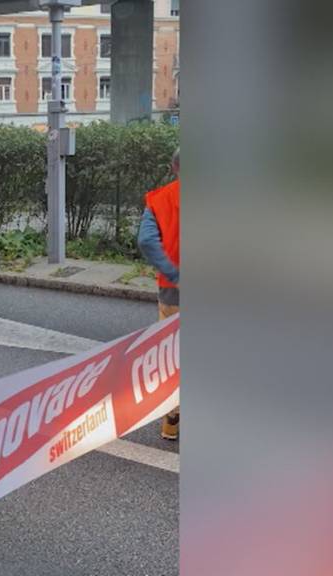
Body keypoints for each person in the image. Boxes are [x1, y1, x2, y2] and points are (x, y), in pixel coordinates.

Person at [137, 148, 181, 441]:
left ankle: (171, 423)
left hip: (172, 290)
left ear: (174, 167)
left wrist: (175, 273)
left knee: (174, 354)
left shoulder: (159, 199)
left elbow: (146, 241)